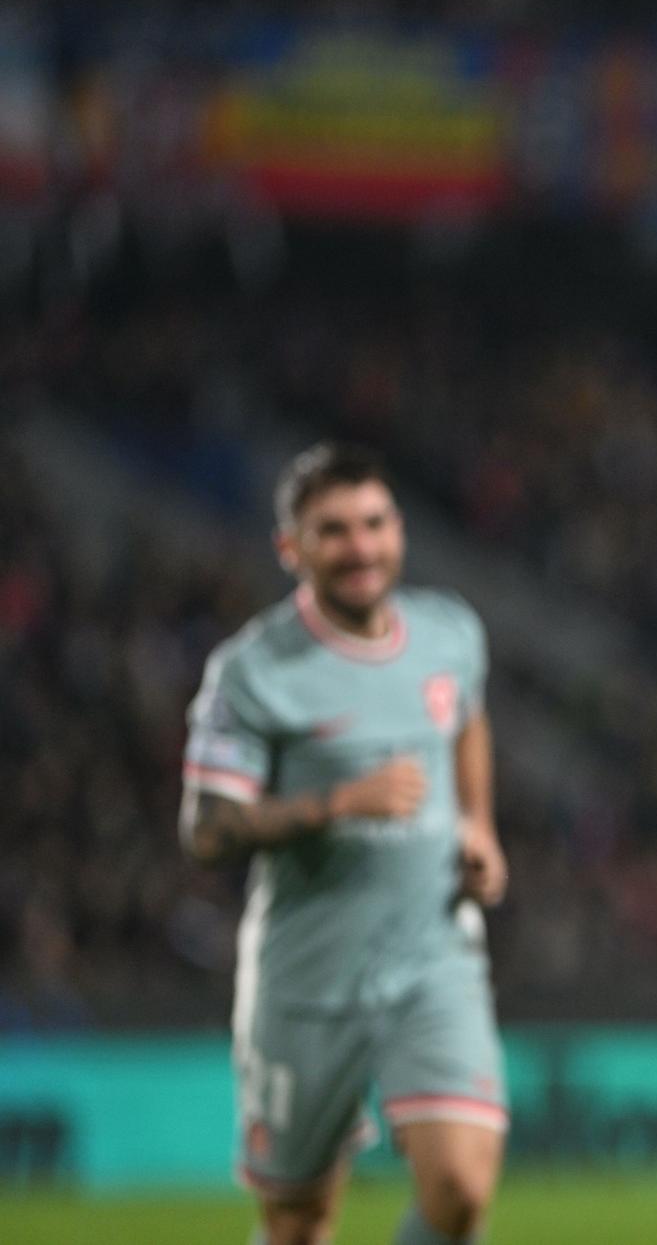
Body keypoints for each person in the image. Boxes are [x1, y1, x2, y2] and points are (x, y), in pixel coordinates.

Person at [180, 443, 509, 1245]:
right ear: (291, 549)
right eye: (333, 531)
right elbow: (208, 828)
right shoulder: (252, 672)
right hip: (307, 976)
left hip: (432, 955)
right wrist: (337, 802)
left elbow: (466, 718)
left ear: (399, 527)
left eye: (374, 522)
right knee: (297, 1223)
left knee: (462, 1188)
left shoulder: (449, 633)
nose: (361, 546)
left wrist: (479, 825)